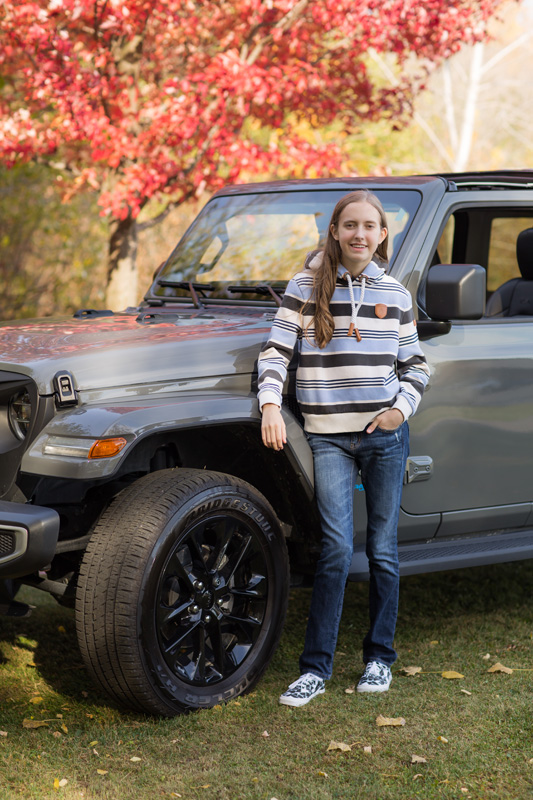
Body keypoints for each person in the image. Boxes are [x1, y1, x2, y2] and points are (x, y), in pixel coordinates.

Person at [257, 189, 430, 707]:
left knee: (382, 550)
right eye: (348, 225)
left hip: (384, 435)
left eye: (368, 227)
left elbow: (416, 365)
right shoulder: (305, 287)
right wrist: (269, 404)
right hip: (327, 437)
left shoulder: (395, 294)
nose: (359, 234)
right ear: (334, 231)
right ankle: (316, 668)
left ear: (381, 236)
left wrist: (401, 409)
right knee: (334, 549)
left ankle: (379, 659)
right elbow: (276, 351)